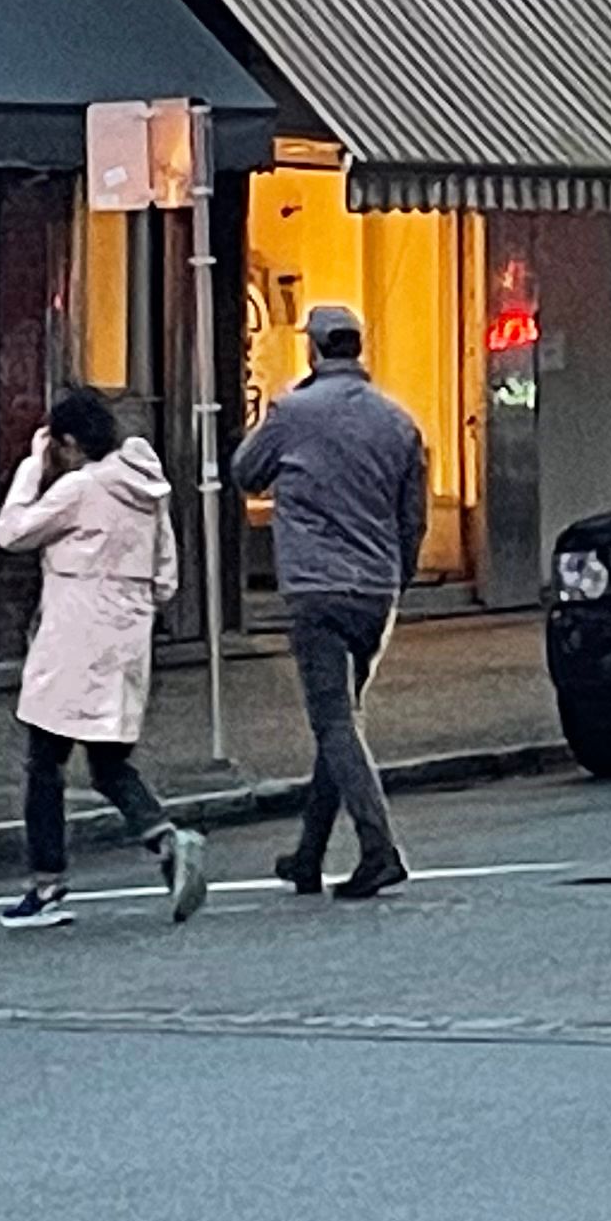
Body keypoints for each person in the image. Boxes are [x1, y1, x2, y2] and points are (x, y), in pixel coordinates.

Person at [228, 299, 429, 900]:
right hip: (376, 588)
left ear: (313, 349)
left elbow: (244, 472)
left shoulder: (293, 412)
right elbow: (412, 519)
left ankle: (379, 847)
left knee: (334, 721)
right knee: (343, 723)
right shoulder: (397, 421)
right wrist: (399, 575)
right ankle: (309, 853)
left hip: (317, 588)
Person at [0, 386, 209, 931]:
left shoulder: (83, 487)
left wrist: (29, 466)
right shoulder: (148, 488)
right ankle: (162, 835)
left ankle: (46, 884)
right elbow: (166, 578)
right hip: (127, 636)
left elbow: (12, 531)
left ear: (68, 442)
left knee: (45, 762)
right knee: (110, 762)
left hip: (73, 634)